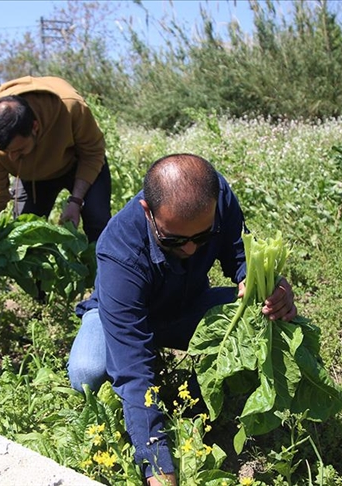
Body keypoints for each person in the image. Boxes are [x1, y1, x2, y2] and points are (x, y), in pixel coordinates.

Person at [67, 154, 297, 485]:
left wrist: (268, 285)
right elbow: (133, 368)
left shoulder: (216, 197)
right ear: (148, 211)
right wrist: (158, 468)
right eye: (174, 240)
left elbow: (239, 256)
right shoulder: (119, 249)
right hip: (117, 317)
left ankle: (197, 395)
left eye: (201, 237)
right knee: (88, 373)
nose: (190, 249)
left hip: (185, 306)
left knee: (269, 319)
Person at [0, 75, 111, 299]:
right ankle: (41, 301)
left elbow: (92, 152)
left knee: (98, 220)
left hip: (78, 163)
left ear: (35, 127)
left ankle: (106, 293)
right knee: (25, 238)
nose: (12, 158)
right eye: (7, 153)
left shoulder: (70, 107)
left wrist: (75, 202)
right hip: (34, 177)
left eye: (18, 150)